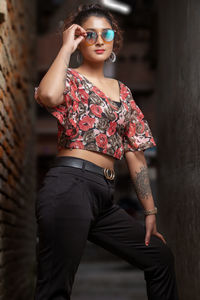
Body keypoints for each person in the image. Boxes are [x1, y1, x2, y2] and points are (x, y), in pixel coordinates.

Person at [34, 3, 179, 300]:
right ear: (79, 39)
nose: (99, 40)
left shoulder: (123, 91)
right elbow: (48, 95)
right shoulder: (69, 78)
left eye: (107, 33)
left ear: (114, 39)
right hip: (68, 187)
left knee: (160, 258)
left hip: (103, 196)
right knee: (55, 289)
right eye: (90, 34)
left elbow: (135, 152)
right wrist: (65, 47)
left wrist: (149, 211)